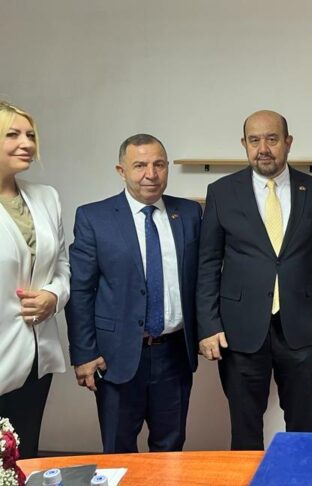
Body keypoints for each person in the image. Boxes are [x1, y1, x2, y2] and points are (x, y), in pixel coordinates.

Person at [197, 110, 312, 450]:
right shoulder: (222, 192)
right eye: (254, 140)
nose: (263, 148)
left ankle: (299, 475)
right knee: (245, 428)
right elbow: (208, 263)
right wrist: (208, 325)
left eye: (272, 139)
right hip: (240, 331)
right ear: (244, 144)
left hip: (303, 329)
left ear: (288, 143)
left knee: (303, 426)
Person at [66, 134, 200, 453]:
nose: (150, 174)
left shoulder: (189, 214)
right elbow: (81, 290)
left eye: (159, 165)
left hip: (174, 355)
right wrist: (83, 354)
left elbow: (203, 278)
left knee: (170, 449)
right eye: (139, 165)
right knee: (118, 450)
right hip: (116, 357)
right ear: (121, 170)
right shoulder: (94, 218)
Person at [0, 101, 69, 459]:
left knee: (22, 457)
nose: (27, 143)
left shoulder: (46, 197)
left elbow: (61, 264)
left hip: (35, 358)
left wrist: (53, 296)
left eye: (30, 135)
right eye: (12, 134)